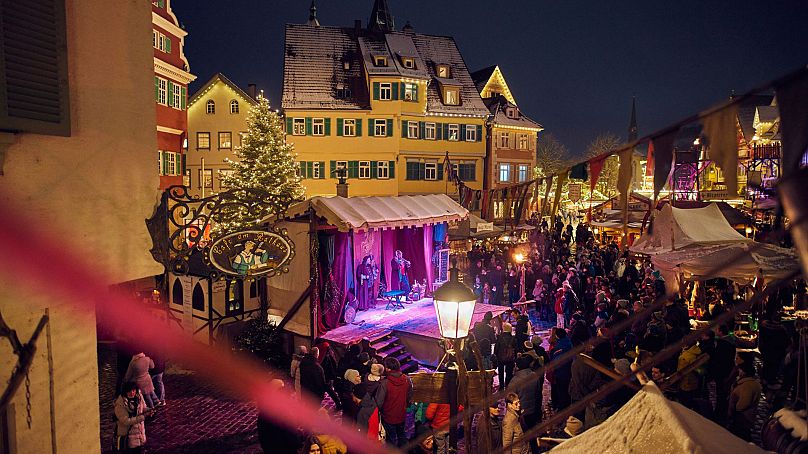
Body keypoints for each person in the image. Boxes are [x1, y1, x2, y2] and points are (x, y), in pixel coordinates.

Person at [257, 379, 301, 453]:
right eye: (282, 388)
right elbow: (293, 439)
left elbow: (263, 438)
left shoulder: (263, 413)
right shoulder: (283, 413)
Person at [509, 355, 541, 454]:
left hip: (520, 414)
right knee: (532, 436)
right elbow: (538, 394)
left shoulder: (514, 381)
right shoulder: (534, 375)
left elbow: (509, 399)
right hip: (533, 410)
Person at [379, 357, 413, 447]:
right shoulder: (407, 379)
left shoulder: (385, 383)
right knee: (402, 436)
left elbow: (379, 401)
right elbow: (409, 397)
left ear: (388, 369)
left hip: (388, 416)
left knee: (391, 440)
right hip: (401, 413)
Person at [113, 381, 153, 453]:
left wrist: (149, 410)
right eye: (129, 391)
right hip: (128, 438)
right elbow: (126, 421)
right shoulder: (120, 404)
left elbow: (143, 408)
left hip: (140, 434)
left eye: (134, 390)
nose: (132, 393)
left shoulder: (139, 397)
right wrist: (143, 417)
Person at [728, 361, 762, 441]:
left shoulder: (747, 385)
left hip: (743, 417)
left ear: (744, 372)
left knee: (741, 436)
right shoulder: (747, 383)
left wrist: (736, 408)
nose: (738, 371)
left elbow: (744, 403)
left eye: (740, 370)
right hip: (745, 417)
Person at [495, 323, 517, 388]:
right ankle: (507, 385)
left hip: (500, 357)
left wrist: (496, 355)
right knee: (509, 372)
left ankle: (501, 386)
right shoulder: (513, 338)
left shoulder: (499, 337)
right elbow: (516, 348)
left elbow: (497, 348)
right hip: (510, 358)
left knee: (501, 372)